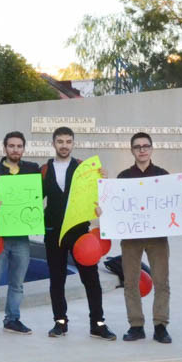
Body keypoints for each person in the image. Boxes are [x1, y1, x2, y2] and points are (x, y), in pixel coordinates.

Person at [41, 126, 115, 341]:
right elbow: (32, 198)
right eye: (60, 141)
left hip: (80, 233)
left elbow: (101, 196)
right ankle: (60, 322)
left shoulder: (85, 169)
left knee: (91, 279)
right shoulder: (44, 170)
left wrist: (104, 180)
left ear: (73, 144)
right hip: (53, 232)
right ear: (53, 143)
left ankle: (98, 324)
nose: (64, 145)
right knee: (57, 279)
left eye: (68, 141)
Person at [104, 132, 173, 344]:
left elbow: (171, 203)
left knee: (161, 281)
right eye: (137, 146)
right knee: (131, 282)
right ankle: (136, 325)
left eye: (145, 146)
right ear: (132, 150)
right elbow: (115, 207)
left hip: (157, 237)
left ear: (151, 149)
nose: (142, 150)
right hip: (131, 237)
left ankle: (160, 325)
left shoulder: (163, 175)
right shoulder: (123, 177)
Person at [0, 131, 40, 335]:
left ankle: (12, 319)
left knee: (17, 283)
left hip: (22, 238)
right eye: (11, 146)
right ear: (4, 147)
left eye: (19, 146)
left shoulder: (33, 171)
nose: (15, 149)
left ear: (24, 148)